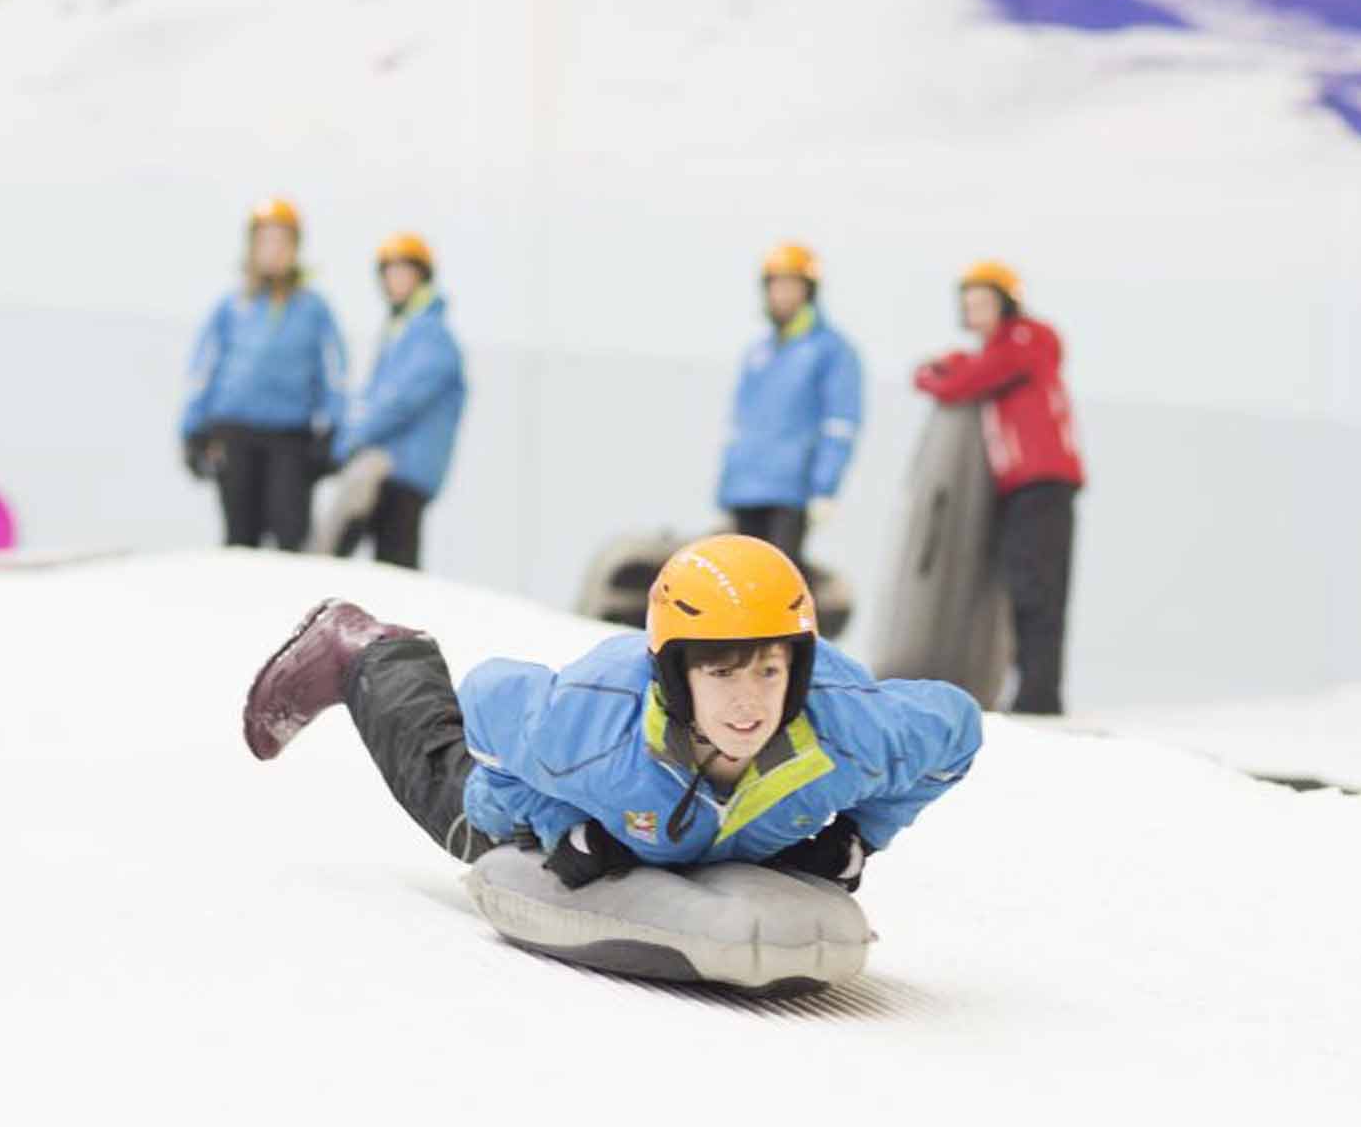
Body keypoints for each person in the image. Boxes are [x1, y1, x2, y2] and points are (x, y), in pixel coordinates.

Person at [242, 534, 980, 890]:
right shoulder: (592, 731)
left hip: (685, 824)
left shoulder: (849, 733)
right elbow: (492, 702)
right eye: (722, 673)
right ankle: (366, 652)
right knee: (462, 806)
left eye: (770, 669)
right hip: (547, 775)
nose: (751, 699)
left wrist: (857, 837)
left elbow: (956, 729)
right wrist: (549, 821)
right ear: (675, 674)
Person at [913, 260, 1084, 715]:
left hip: (1042, 483)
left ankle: (1040, 695)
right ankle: (1032, 690)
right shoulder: (999, 354)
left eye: (984, 302)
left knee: (1039, 590)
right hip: (1018, 487)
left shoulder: (1028, 340)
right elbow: (961, 368)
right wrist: (942, 366)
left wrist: (939, 374)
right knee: (1022, 588)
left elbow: (963, 382)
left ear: (1008, 304)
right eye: (969, 304)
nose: (976, 311)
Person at [179, 198, 346, 551]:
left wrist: (333, 432)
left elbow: (334, 374)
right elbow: (202, 369)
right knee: (240, 538)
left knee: (290, 534)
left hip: (290, 437)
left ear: (295, 249)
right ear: (252, 246)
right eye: (265, 240)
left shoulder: (313, 309)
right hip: (234, 431)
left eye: (282, 241)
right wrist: (192, 430)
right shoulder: (230, 306)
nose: (273, 250)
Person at [715, 242, 863, 575]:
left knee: (777, 582)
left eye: (791, 285)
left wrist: (824, 487)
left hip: (790, 491)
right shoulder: (759, 352)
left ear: (809, 291)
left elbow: (840, 423)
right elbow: (738, 426)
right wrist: (725, 490)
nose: (782, 294)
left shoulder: (830, 351)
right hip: (745, 488)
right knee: (739, 583)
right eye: (775, 285)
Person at [323, 232, 466, 570]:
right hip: (390, 470)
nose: (396, 281)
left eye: (405, 272)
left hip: (405, 471)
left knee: (396, 568)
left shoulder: (430, 334)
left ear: (422, 276)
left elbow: (399, 402)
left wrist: (348, 442)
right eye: (390, 273)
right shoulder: (398, 331)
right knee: (378, 566)